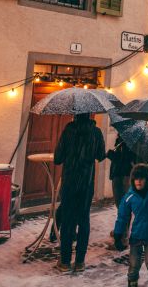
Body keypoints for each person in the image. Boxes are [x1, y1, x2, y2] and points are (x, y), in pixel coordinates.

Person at [54, 113, 107, 272]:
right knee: (84, 220)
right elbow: (101, 155)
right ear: (90, 115)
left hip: (70, 183)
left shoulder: (69, 130)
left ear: (75, 115)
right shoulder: (96, 132)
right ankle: (80, 262)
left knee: (68, 219)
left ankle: (64, 261)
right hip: (86, 184)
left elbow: (57, 158)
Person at [107, 136, 139, 246]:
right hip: (118, 173)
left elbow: (129, 159)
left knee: (125, 207)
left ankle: (123, 239)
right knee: (120, 206)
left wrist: (113, 156)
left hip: (125, 175)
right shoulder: (121, 138)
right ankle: (120, 231)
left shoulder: (133, 139)